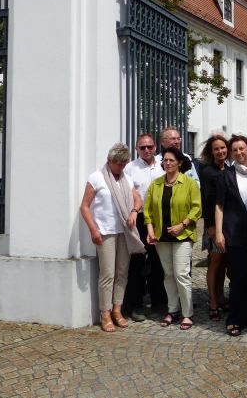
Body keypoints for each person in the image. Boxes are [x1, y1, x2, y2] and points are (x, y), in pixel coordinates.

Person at [80, 143, 143, 332]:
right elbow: (84, 206)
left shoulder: (126, 178)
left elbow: (137, 199)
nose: (121, 168)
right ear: (110, 161)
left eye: (124, 164)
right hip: (105, 232)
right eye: (118, 164)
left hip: (125, 231)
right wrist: (93, 230)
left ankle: (117, 309)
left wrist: (133, 211)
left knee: (122, 273)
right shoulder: (96, 178)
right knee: (107, 274)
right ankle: (105, 313)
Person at [144, 146, 202, 330]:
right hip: (162, 236)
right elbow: (148, 211)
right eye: (165, 160)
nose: (168, 163)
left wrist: (182, 225)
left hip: (182, 235)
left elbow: (197, 208)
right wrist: (150, 230)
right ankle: (172, 309)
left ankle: (187, 313)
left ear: (179, 163)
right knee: (168, 274)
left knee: (181, 274)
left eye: (171, 160)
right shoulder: (156, 184)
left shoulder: (189, 183)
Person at [215, 135, 247, 336]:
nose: (239, 153)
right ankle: (234, 318)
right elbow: (219, 205)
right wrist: (218, 232)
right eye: (235, 150)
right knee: (238, 277)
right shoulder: (225, 175)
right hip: (234, 231)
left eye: (242, 149)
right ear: (231, 153)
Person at [123, 133, 167, 321]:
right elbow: (129, 194)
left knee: (159, 263)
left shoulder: (164, 165)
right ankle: (136, 304)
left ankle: (159, 302)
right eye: (142, 147)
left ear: (155, 147)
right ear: (137, 149)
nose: (146, 150)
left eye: (149, 146)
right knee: (138, 263)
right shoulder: (130, 168)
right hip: (140, 220)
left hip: (161, 220)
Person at [199, 135, 230, 320]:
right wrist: (210, 225)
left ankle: (221, 296)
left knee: (224, 263)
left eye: (223, 148)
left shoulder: (230, 169)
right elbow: (207, 200)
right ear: (211, 151)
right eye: (216, 149)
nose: (220, 151)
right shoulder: (208, 171)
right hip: (214, 224)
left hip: (228, 223)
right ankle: (212, 302)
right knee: (215, 262)